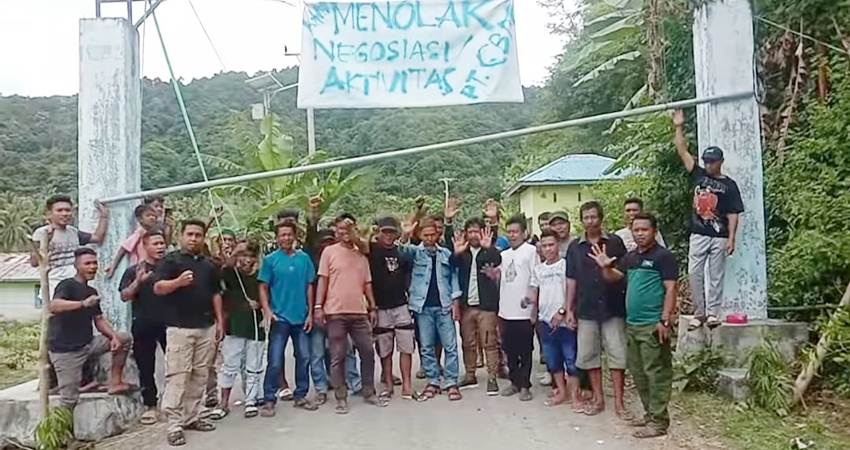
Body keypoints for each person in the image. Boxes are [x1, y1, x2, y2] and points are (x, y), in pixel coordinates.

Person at [589, 213, 677, 438]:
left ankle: (658, 422)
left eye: (644, 230)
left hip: (653, 325)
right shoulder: (631, 257)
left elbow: (670, 289)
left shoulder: (663, 257)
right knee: (638, 373)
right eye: (636, 230)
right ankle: (650, 415)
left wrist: (664, 320)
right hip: (633, 324)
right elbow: (613, 277)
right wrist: (605, 267)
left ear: (654, 231)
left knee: (655, 373)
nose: (640, 234)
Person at [153, 220, 225, 447]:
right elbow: (158, 288)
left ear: (204, 238)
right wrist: (178, 282)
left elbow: (216, 294)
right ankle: (174, 424)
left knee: (200, 374)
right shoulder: (170, 260)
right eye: (190, 234)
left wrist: (220, 321)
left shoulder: (208, 265)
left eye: (198, 235)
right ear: (182, 236)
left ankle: (192, 416)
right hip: (179, 328)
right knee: (178, 375)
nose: (194, 239)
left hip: (206, 326)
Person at [673, 109, 744, 330]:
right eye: (707, 161)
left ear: (720, 162)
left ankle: (713, 312)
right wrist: (678, 126)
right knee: (695, 273)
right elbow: (682, 151)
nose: (709, 164)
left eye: (713, 161)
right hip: (698, 232)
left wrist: (731, 238)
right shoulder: (699, 174)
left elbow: (733, 213)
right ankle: (699, 312)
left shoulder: (730, 185)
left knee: (716, 275)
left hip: (719, 234)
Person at [314, 216, 386, 414]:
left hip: (359, 312)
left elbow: (367, 284)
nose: (343, 233)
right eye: (339, 229)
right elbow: (323, 280)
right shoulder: (329, 252)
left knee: (368, 352)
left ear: (354, 229)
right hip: (335, 312)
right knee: (338, 355)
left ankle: (369, 391)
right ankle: (341, 397)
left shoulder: (361, 254)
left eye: (347, 229)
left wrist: (372, 307)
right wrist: (318, 306)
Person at [565, 201, 628, 417]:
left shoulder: (615, 243)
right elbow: (571, 280)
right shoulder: (575, 247)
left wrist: (607, 267)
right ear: (581, 220)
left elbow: (623, 274)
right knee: (590, 356)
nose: (590, 221)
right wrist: (569, 309)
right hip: (586, 309)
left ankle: (619, 402)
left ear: (601, 218)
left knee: (617, 356)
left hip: (612, 307)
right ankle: (599, 399)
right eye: (586, 217)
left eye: (594, 217)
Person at [48, 248, 131, 410]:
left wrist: (113, 337)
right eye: (87, 263)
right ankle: (62, 432)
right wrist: (82, 304)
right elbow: (54, 306)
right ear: (76, 266)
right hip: (66, 352)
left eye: (94, 263)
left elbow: (99, 320)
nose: (92, 267)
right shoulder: (67, 285)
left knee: (124, 338)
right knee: (69, 400)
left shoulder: (91, 291)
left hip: (88, 344)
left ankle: (115, 382)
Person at [399, 217, 463, 402]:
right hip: (422, 308)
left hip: (444, 306)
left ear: (438, 234)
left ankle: (451, 382)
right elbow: (401, 251)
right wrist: (405, 233)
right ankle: (433, 381)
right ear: (420, 235)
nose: (429, 238)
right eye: (425, 235)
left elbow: (453, 278)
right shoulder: (415, 253)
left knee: (450, 346)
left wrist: (455, 304)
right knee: (426, 347)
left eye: (432, 234)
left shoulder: (446, 254)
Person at [258, 222, 318, 416]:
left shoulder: (304, 259)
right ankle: (269, 399)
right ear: (276, 238)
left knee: (304, 357)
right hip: (280, 317)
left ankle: (300, 395)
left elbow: (310, 286)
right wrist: (267, 310)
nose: (285, 238)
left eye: (289, 234)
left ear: (295, 236)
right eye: (282, 235)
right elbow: (263, 287)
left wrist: (310, 313)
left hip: (300, 317)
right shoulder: (270, 260)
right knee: (275, 359)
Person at [118, 230, 168, 425]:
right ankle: (151, 406)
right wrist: (138, 282)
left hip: (171, 323)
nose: (160, 247)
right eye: (155, 244)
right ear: (144, 246)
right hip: (143, 323)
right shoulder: (133, 271)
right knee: (145, 367)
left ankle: (174, 404)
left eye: (162, 243)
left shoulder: (171, 267)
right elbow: (124, 296)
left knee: (176, 365)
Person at [450, 217, 502, 395]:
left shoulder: (489, 251)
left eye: (476, 231)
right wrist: (456, 252)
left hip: (486, 306)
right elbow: (451, 264)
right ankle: (470, 374)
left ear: (483, 232)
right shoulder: (462, 252)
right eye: (470, 231)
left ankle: (492, 377)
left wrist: (489, 247)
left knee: (489, 342)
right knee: (468, 342)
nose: (473, 235)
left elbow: (497, 260)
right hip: (467, 306)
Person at [528, 231, 579, 408]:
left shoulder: (566, 266)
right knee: (553, 360)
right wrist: (528, 302)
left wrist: (563, 311)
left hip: (565, 321)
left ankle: (575, 396)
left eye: (551, 244)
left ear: (558, 245)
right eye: (544, 245)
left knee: (571, 360)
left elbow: (573, 290)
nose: (548, 249)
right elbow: (534, 292)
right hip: (545, 322)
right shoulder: (538, 270)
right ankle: (562, 393)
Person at [215, 242, 265, 419]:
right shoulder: (231, 274)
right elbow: (226, 266)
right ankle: (223, 402)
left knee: (254, 365)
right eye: (243, 256)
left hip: (255, 326)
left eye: (250, 256)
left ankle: (250, 400)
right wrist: (236, 251)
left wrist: (259, 305)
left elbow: (267, 296)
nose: (246, 260)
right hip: (234, 326)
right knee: (230, 365)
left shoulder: (260, 276)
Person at [367, 216, 416, 399]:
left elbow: (410, 273)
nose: (388, 235)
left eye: (391, 232)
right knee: (385, 349)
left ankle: (407, 384)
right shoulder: (372, 250)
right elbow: (359, 241)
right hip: (380, 307)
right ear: (378, 233)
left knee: (406, 347)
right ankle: (388, 384)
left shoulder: (402, 252)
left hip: (401, 305)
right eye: (384, 232)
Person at [495, 215, 539, 401]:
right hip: (506, 309)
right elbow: (503, 279)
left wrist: (532, 303)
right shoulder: (504, 255)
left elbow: (535, 278)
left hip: (523, 310)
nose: (512, 235)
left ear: (524, 233)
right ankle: (514, 382)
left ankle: (525, 385)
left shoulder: (531, 251)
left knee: (525, 350)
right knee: (509, 349)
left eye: (516, 232)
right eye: (510, 232)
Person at [30, 194, 109, 297]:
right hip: (54, 285)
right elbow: (34, 262)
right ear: (49, 214)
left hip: (75, 285)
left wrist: (104, 216)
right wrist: (47, 241)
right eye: (59, 210)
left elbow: (97, 238)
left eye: (67, 210)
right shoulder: (41, 233)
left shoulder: (73, 232)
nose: (65, 213)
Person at [105, 203, 160, 278]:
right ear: (140, 219)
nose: (152, 218)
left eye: (154, 216)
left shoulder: (156, 234)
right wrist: (113, 267)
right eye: (148, 215)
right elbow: (123, 249)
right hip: (139, 270)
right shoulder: (139, 233)